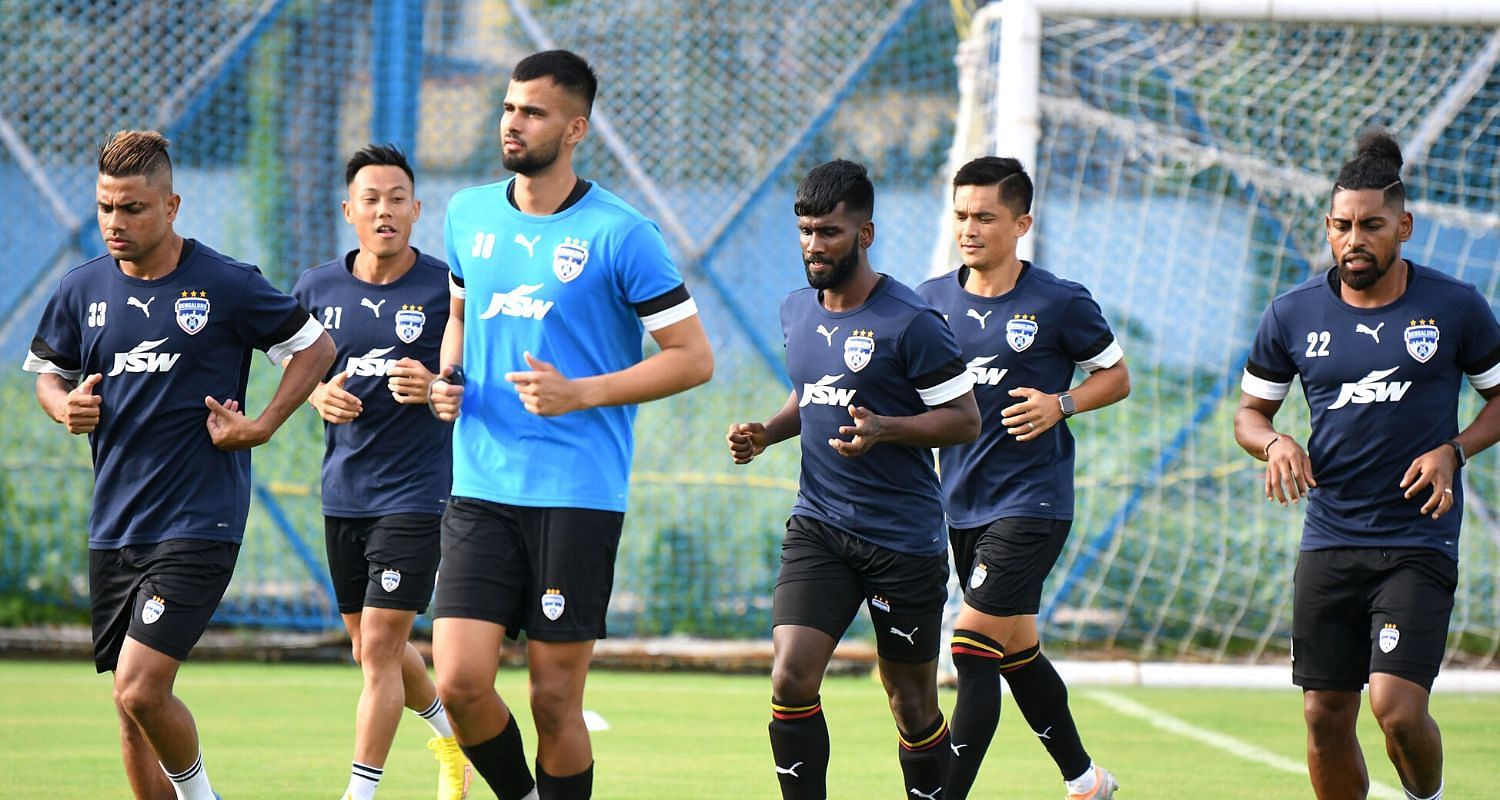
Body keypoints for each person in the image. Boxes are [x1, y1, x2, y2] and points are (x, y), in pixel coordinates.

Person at [425, 49, 714, 800]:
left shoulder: (623, 234)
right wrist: (446, 380)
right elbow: (458, 318)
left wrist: (579, 393)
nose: (513, 122)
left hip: (577, 493)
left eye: (534, 112)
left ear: (576, 128)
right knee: (457, 682)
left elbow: (692, 358)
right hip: (481, 482)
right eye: (509, 106)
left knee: (554, 700)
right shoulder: (468, 213)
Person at [22, 129, 334, 800]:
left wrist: (262, 425)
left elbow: (315, 347)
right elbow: (48, 375)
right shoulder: (82, 290)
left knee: (140, 686)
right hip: (116, 526)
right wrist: (62, 407)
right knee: (130, 711)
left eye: (132, 208)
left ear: (172, 205)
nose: (115, 222)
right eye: (106, 207)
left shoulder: (225, 284)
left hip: (199, 521)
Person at [1234, 129, 1500, 800]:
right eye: (1343, 226)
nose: (1356, 238)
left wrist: (1454, 448)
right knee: (1324, 716)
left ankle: (1425, 796)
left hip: (1417, 539)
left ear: (1403, 226)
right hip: (1329, 540)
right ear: (1328, 228)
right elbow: (1249, 416)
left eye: (1372, 225)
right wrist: (1277, 443)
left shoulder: (1454, 306)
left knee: (1397, 711)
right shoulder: (1291, 314)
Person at [726, 159, 980, 800]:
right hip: (821, 528)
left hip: (903, 542)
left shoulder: (912, 321)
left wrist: (886, 430)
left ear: (865, 234)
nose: (814, 246)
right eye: (806, 231)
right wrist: (767, 431)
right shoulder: (795, 311)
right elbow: (811, 393)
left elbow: (964, 420)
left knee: (913, 705)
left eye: (830, 233)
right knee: (790, 676)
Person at [915, 156, 1128, 800]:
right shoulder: (929, 301)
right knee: (1017, 651)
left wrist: (1060, 403)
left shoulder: (1059, 301)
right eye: (961, 215)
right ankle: (1085, 780)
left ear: (1022, 223)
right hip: (962, 505)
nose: (969, 229)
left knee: (972, 647)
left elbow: (1115, 377)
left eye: (985, 217)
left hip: (1034, 502)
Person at [290, 144, 471, 800]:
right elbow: (295, 371)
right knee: (373, 650)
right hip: (344, 490)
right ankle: (452, 737)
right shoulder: (315, 289)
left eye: (397, 197)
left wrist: (435, 384)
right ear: (349, 211)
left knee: (384, 646)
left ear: (417, 209)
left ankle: (359, 792)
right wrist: (316, 395)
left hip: (417, 493)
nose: (384, 210)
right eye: (370, 198)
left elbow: (468, 384)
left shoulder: (446, 288)